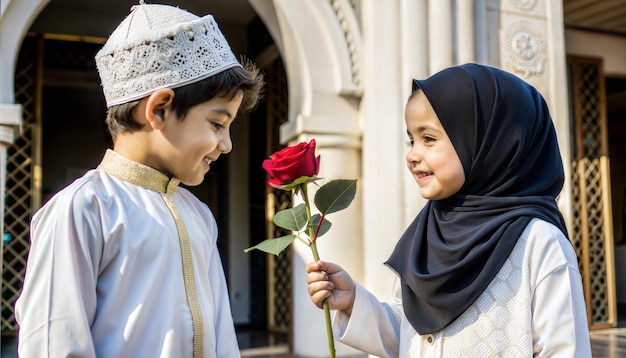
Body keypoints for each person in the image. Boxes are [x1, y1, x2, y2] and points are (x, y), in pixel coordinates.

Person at [15, 2, 263, 357]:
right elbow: (54, 344)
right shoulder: (83, 209)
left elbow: (223, 339)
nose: (226, 145)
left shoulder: (199, 216)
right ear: (159, 109)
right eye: (217, 124)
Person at [306, 64, 591, 357]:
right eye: (411, 139)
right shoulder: (425, 235)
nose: (412, 155)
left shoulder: (539, 243)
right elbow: (411, 336)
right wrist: (353, 302)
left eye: (428, 139)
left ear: (486, 141)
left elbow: (564, 350)